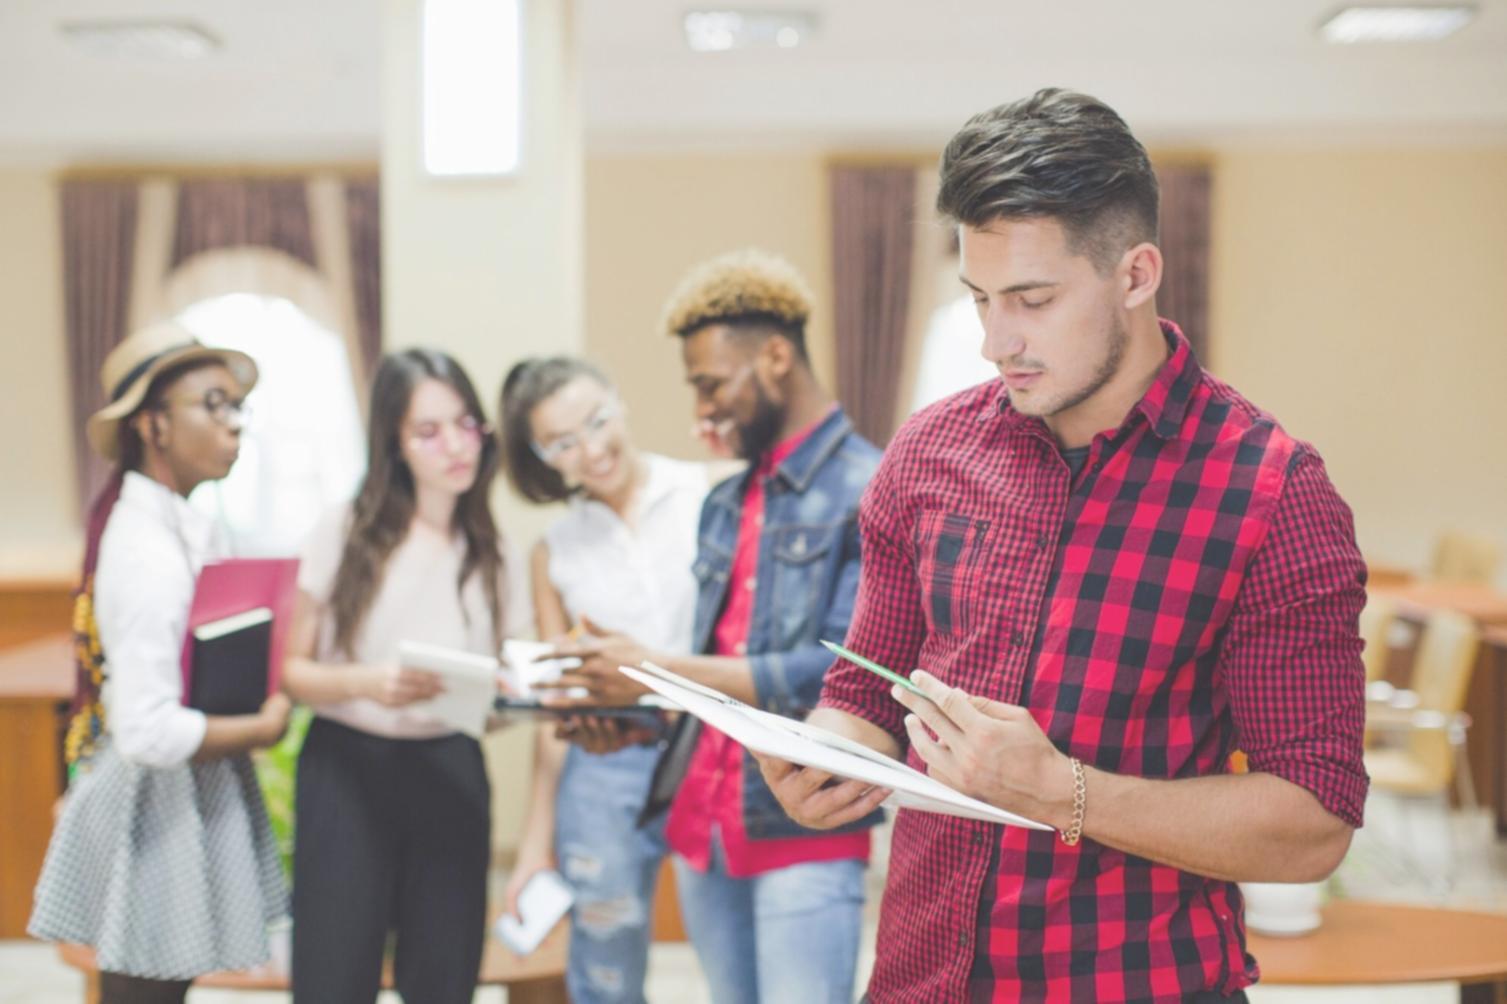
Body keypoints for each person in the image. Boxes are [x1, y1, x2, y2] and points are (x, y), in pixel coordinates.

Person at [757, 88, 1370, 1003]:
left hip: (1139, 983)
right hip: (920, 978)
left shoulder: (1271, 493)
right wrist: (825, 751)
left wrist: (1061, 792)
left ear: (1135, 274)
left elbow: (1314, 823)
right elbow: (863, 691)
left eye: (1032, 300)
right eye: (979, 299)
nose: (995, 341)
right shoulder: (926, 453)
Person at [544, 250, 882, 1004]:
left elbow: (839, 676)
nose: (702, 412)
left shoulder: (872, 487)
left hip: (804, 827)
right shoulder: (725, 502)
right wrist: (626, 715)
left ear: (774, 356)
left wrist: (651, 669)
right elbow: (718, 663)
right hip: (703, 825)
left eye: (711, 384)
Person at [30, 322, 291, 1004]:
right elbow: (146, 731)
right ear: (154, 427)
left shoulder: (179, 523)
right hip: (156, 794)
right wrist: (260, 731)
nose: (234, 424)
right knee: (145, 992)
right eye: (214, 403)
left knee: (154, 989)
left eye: (238, 406)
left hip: (179, 788)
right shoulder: (143, 548)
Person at [282, 348, 516, 1004]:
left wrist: (509, 698)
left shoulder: (494, 553)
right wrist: (365, 683)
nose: (454, 446)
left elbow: (504, 695)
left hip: (450, 767)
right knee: (333, 976)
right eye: (429, 431)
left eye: (466, 424)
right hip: (346, 769)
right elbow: (291, 673)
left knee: (444, 977)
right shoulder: (344, 530)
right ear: (394, 443)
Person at [497, 356, 709, 1003]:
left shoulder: (704, 495)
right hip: (604, 761)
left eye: (596, 421)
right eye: (562, 442)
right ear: (541, 455)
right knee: (606, 963)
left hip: (710, 747)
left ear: (619, 402)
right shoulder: (554, 549)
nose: (590, 450)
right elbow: (557, 710)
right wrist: (535, 845)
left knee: (724, 939)